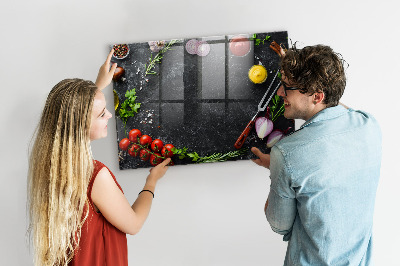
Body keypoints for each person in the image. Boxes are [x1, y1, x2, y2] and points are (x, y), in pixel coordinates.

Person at [27, 50, 171, 266]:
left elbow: (74, 113)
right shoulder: (95, 175)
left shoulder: (50, 165)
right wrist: (152, 181)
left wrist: (97, 87)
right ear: (82, 124)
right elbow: (134, 224)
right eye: (102, 113)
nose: (109, 116)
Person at [251, 44, 381, 265]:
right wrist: (295, 72)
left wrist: (278, 169)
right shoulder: (369, 125)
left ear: (317, 96)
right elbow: (333, 104)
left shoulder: (287, 153)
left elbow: (279, 225)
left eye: (287, 87)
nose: (280, 92)